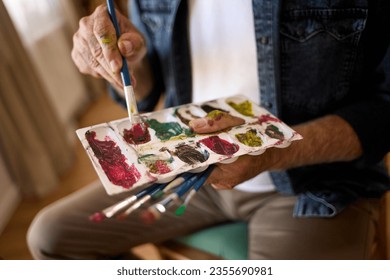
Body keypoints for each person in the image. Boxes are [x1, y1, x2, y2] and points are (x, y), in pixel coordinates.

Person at [27, 0, 390, 259]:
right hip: (191, 169)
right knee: (49, 237)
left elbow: (383, 110)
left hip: (314, 184)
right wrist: (132, 60)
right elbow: (148, 84)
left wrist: (276, 150)